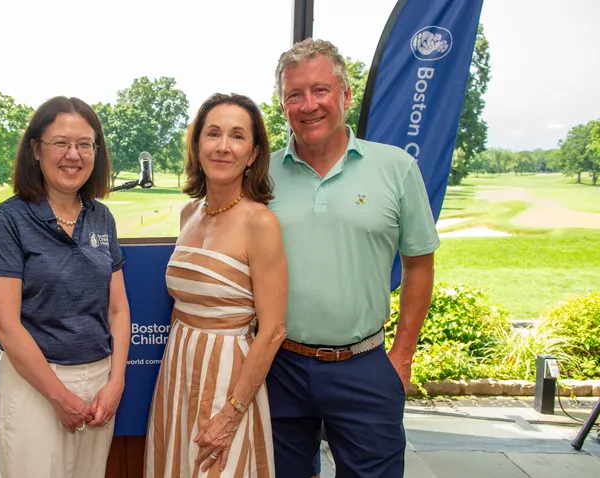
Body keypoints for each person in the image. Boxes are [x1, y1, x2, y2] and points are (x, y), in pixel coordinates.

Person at [265, 38, 440, 478]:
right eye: (294, 94)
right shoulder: (260, 174)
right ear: (283, 104)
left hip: (364, 365)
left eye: (320, 90)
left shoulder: (396, 167)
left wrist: (401, 357)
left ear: (345, 94)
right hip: (278, 368)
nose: (309, 105)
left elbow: (419, 263)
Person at [0, 96, 131, 478]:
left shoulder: (101, 217)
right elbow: (4, 325)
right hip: (35, 385)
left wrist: (116, 382)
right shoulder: (8, 220)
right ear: (35, 149)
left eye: (84, 144)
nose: (73, 155)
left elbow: (118, 309)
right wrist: (59, 396)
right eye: (60, 143)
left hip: (98, 383)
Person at [144, 93, 288, 478]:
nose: (224, 146)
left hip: (230, 379)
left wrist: (232, 412)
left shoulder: (260, 223)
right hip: (178, 371)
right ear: (197, 145)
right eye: (213, 134)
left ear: (253, 153)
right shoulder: (189, 213)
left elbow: (273, 329)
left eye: (237, 136)